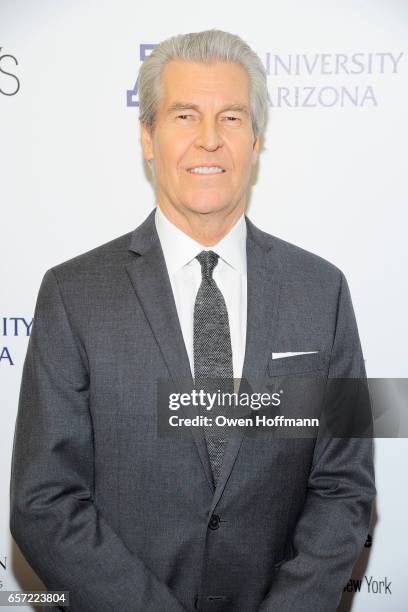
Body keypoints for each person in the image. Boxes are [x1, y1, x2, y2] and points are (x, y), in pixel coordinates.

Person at [10, 29, 375, 612]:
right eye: (185, 116)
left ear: (255, 141)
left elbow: (345, 486)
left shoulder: (322, 290)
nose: (209, 140)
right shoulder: (72, 294)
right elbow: (44, 499)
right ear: (147, 138)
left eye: (231, 118)